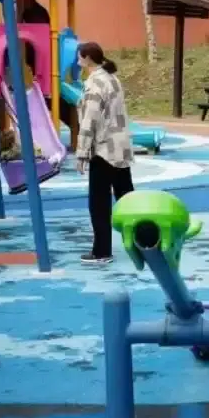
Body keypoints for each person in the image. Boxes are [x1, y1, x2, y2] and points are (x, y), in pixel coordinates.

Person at [74, 41, 134, 264]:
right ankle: (144, 240)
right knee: (127, 198)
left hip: (103, 149)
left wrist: (82, 152)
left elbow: (90, 119)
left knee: (99, 203)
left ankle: (102, 251)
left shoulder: (95, 83)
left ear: (87, 58)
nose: (78, 61)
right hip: (120, 145)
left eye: (80, 57)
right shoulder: (112, 78)